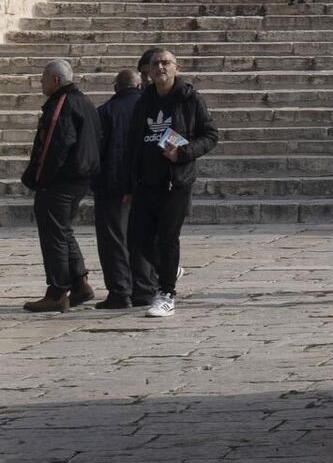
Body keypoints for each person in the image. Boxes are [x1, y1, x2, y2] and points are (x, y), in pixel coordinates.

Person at [129, 47, 219, 319]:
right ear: (148, 70)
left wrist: (183, 153)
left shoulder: (189, 98)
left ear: (176, 68)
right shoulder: (143, 100)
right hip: (146, 181)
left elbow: (211, 135)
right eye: (156, 64)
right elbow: (134, 141)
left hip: (175, 181)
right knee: (137, 238)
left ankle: (166, 294)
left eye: (166, 63)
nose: (160, 68)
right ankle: (170, 268)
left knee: (168, 237)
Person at [19, 59, 100, 313]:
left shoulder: (62, 104)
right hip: (79, 178)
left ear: (55, 80)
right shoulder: (84, 102)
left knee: (53, 235)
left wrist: (38, 179)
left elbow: (53, 146)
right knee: (63, 231)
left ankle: (57, 291)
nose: (41, 83)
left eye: (43, 78)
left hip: (61, 181)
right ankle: (79, 283)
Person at [92, 66, 142, 310]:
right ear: (139, 85)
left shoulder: (105, 112)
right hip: (146, 185)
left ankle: (120, 290)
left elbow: (95, 152)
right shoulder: (151, 108)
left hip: (111, 186)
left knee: (113, 240)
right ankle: (145, 288)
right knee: (143, 237)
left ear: (115, 87)